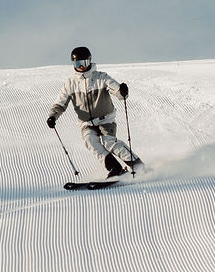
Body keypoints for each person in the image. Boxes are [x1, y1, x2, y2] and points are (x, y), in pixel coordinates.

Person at [47, 46, 143, 177]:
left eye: (83, 63)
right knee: (91, 142)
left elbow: (117, 91)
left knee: (109, 142)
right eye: (77, 63)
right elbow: (60, 103)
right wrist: (53, 116)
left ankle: (138, 165)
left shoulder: (101, 77)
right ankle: (114, 168)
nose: (80, 67)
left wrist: (122, 91)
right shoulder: (70, 83)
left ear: (89, 61)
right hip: (86, 123)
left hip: (105, 120)